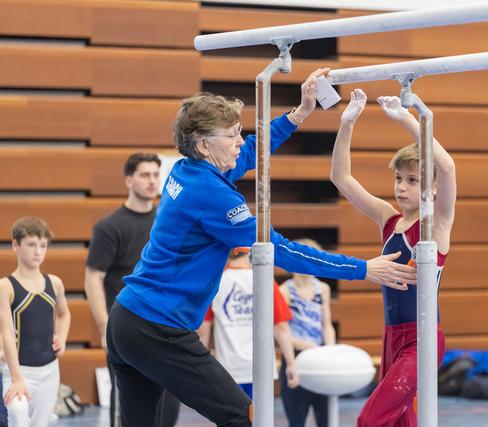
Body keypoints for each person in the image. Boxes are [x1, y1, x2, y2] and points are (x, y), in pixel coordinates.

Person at [106, 68, 416, 427]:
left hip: (126, 322)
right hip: (158, 328)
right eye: (233, 135)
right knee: (243, 416)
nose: (241, 141)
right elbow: (280, 250)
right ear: (205, 144)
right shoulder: (214, 196)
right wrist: (363, 269)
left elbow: (251, 151)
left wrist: (299, 113)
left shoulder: (185, 170)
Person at [330, 90, 457, 426]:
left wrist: (407, 117)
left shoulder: (435, 224)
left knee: (370, 420)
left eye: (413, 181)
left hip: (423, 338)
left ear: (431, 189)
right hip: (390, 337)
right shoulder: (388, 219)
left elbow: (446, 166)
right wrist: (347, 123)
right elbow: (340, 178)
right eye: (398, 179)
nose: (402, 187)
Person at [84, 153, 181, 427]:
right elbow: (93, 278)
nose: (152, 181)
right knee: (131, 406)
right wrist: (105, 326)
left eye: (155, 175)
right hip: (126, 328)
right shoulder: (109, 226)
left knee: (169, 404)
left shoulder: (166, 221)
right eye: (144, 175)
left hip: (165, 327)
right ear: (129, 180)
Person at [197, 247, 298, 399]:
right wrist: (291, 364)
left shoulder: (216, 282)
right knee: (260, 420)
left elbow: (203, 330)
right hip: (261, 367)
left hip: (229, 368)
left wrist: (201, 368)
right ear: (250, 252)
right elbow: (281, 328)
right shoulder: (265, 281)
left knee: (233, 419)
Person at [0, 217, 71, 427]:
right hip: (19, 370)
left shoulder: (55, 283)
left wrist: (62, 339)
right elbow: (6, 333)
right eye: (31, 245)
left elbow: (64, 314)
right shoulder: (6, 286)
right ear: (15, 245)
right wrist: (17, 378)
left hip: (50, 370)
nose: (38, 251)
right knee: (18, 415)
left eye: (42, 245)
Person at [279, 238, 334, 427]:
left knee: (326, 418)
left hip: (319, 357)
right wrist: (304, 346)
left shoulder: (323, 289)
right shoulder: (285, 291)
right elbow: (281, 331)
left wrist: (330, 349)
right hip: (296, 357)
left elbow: (326, 324)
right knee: (296, 419)